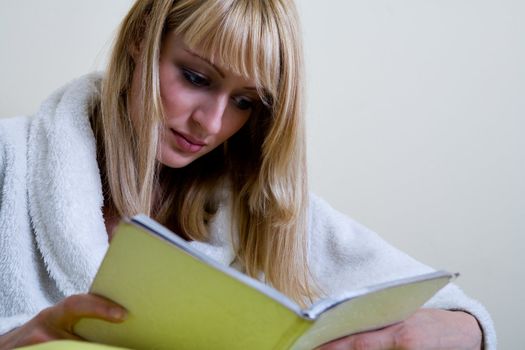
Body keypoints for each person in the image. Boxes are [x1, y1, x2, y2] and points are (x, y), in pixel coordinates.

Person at [0, 0, 495, 349]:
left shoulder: (254, 208)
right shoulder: (10, 158)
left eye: (244, 102)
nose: (212, 125)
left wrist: (439, 332)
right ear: (140, 39)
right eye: (195, 77)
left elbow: (459, 311)